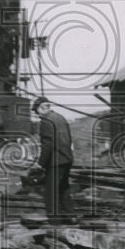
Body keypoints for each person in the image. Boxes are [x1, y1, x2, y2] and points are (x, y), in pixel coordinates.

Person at [32, 95, 75, 223]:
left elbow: (47, 145)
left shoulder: (46, 121)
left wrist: (40, 164)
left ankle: (54, 221)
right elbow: (69, 138)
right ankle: (70, 216)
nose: (37, 114)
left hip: (56, 162)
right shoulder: (60, 118)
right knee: (64, 188)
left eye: (36, 111)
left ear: (42, 108)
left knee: (51, 191)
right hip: (67, 159)